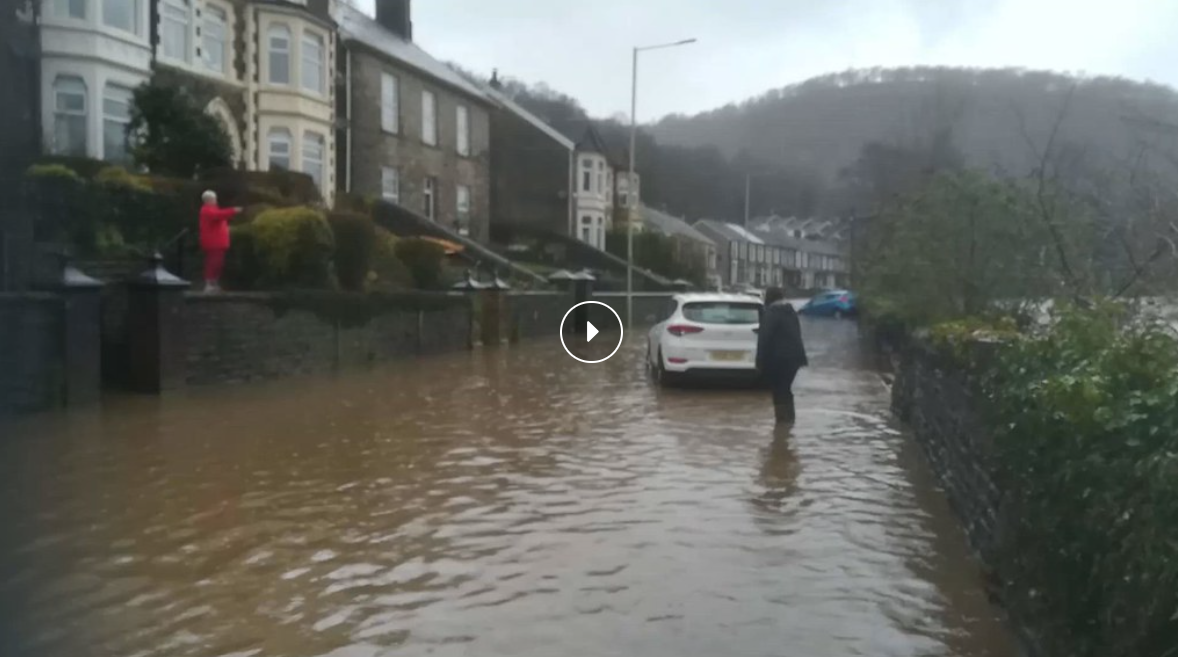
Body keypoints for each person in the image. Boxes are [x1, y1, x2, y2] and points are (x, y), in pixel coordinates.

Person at [756, 287, 809, 424]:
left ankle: (781, 423)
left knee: (778, 391)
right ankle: (789, 422)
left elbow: (764, 339)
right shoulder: (791, 312)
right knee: (785, 389)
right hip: (794, 359)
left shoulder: (771, 313)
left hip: (778, 360)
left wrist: (759, 362)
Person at [198, 190, 242, 293]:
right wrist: (233, 210)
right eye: (214, 199)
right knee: (213, 263)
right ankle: (209, 284)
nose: (215, 201)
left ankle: (213, 283)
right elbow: (218, 215)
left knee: (218, 263)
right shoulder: (207, 210)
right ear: (208, 200)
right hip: (213, 242)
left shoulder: (211, 209)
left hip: (217, 242)